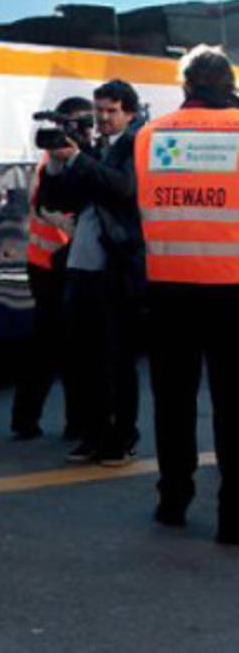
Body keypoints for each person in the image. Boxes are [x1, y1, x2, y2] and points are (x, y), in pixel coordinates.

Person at [135, 45, 239, 545]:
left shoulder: (149, 136)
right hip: (233, 291)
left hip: (169, 289)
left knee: (173, 403)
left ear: (185, 87)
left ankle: (173, 500)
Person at [38, 79, 146, 467]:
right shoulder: (94, 149)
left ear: (129, 113)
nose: (103, 118)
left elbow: (122, 189)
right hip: (81, 265)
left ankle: (122, 436)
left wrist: (80, 159)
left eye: (111, 110)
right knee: (82, 357)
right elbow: (57, 201)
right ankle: (93, 433)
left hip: (115, 269)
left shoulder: (135, 146)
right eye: (99, 110)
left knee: (116, 359)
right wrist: (57, 160)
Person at [9, 97, 91, 441]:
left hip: (49, 263)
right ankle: (70, 423)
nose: (85, 131)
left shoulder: (64, 160)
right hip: (54, 265)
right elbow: (47, 208)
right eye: (78, 125)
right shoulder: (54, 163)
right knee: (66, 348)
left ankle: (29, 419)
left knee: (49, 346)